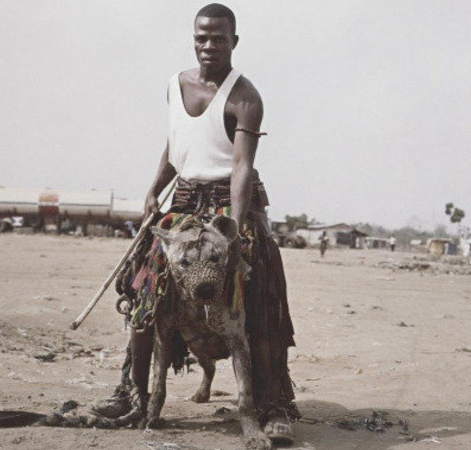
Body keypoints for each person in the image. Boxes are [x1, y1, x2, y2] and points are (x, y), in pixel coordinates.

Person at [93, 4, 299, 443]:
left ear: (234, 42)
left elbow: (242, 166)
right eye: (202, 38)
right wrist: (153, 188)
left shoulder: (246, 97)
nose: (209, 46)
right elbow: (176, 145)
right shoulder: (174, 85)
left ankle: (272, 404)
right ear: (193, 38)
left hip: (232, 202)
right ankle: (132, 390)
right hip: (183, 200)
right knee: (147, 293)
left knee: (259, 299)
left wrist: (237, 225)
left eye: (219, 38)